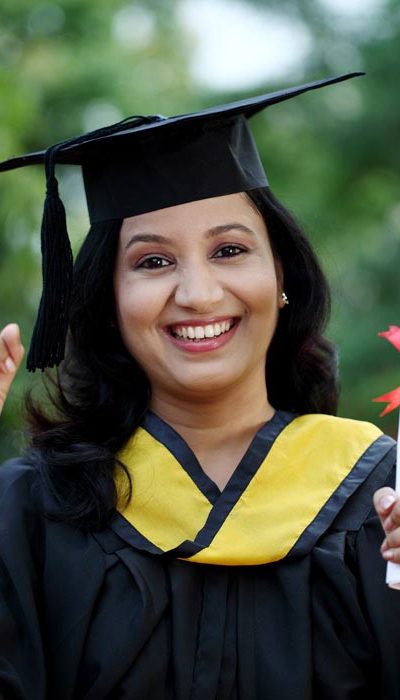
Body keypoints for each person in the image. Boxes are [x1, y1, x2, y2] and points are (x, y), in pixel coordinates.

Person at [0, 72, 400, 700]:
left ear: (282, 274)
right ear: (108, 300)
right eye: (153, 262)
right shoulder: (28, 510)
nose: (198, 294)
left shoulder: (381, 496)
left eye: (230, 251)